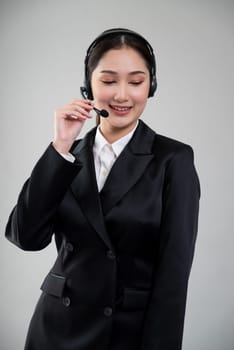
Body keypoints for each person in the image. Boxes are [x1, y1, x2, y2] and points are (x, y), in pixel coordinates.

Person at [5, 28, 200, 350]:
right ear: (88, 86)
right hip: (55, 329)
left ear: (151, 85)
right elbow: (25, 237)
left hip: (126, 333)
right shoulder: (66, 156)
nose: (122, 95)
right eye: (108, 81)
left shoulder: (173, 159)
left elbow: (174, 275)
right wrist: (61, 146)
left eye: (136, 82)